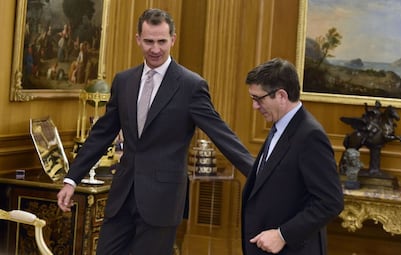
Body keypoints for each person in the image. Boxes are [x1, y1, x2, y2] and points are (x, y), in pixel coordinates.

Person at [57, 8, 254, 255]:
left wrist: (258, 174)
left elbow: (221, 134)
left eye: (162, 41)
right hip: (121, 198)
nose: (155, 49)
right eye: (149, 41)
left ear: (173, 39)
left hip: (162, 201)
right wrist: (71, 179)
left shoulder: (191, 86)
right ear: (138, 39)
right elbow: (102, 133)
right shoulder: (124, 81)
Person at [241, 58, 344, 255]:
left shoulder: (310, 136)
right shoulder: (280, 126)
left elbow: (331, 201)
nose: (255, 106)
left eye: (258, 99)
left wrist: (283, 235)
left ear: (281, 95)